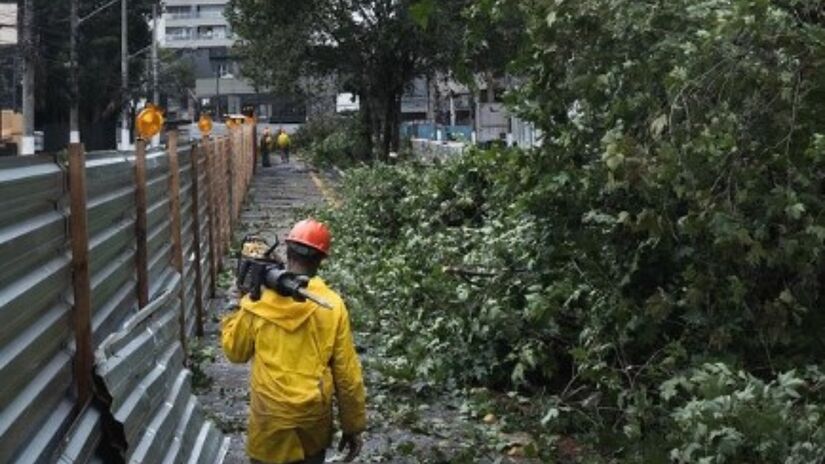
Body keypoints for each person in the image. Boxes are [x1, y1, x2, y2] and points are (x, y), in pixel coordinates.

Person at [222, 219, 366, 464]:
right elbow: (347, 375)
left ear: (286, 252)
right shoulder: (332, 305)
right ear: (321, 260)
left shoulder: (258, 301)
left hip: (269, 422)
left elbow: (235, 352)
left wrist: (236, 304)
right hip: (312, 423)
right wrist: (353, 426)